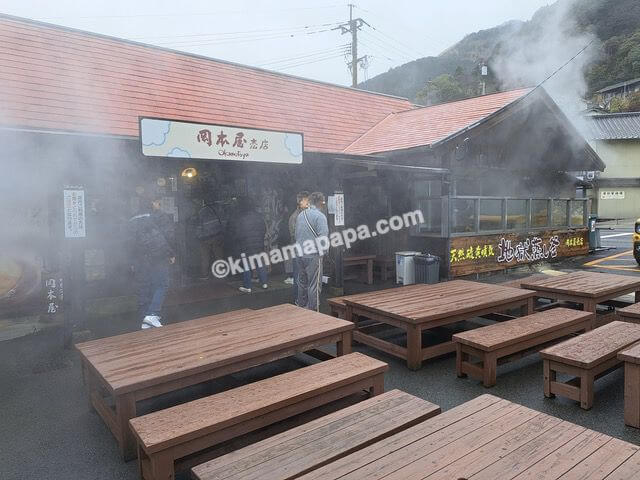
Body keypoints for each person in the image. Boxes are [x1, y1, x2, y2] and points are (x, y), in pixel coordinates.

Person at [128, 197, 176, 329]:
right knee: (162, 284)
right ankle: (152, 314)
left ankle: (144, 318)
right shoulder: (159, 216)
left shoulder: (133, 218)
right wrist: (170, 253)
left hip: (139, 258)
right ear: (153, 203)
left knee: (144, 285)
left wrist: (132, 260)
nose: (159, 205)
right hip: (158, 255)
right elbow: (166, 236)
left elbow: (129, 242)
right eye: (158, 202)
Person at [295, 191, 328, 311]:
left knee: (302, 283)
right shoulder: (320, 217)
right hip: (313, 255)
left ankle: (301, 307)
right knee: (314, 285)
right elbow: (323, 239)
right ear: (320, 202)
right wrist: (324, 253)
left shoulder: (300, 215)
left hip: (300, 254)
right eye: (323, 202)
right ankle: (313, 311)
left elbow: (296, 235)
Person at [227, 197, 268, 293]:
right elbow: (264, 229)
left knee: (247, 265)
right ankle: (264, 283)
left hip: (246, 245)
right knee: (259, 263)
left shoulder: (241, 218)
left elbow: (237, 232)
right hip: (258, 244)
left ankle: (247, 286)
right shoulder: (258, 216)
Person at [286, 191, 309, 299]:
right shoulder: (294, 217)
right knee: (298, 275)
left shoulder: (307, 214)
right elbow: (294, 235)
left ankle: (304, 298)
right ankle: (297, 298)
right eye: (306, 201)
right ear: (300, 202)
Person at [195, 202, 224, 279]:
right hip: (217, 236)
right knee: (219, 255)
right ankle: (221, 272)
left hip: (205, 238)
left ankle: (205, 274)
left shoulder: (201, 212)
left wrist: (199, 236)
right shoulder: (218, 209)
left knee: (205, 256)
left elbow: (199, 227)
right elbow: (224, 221)